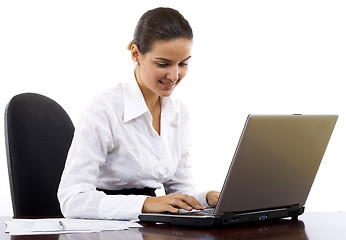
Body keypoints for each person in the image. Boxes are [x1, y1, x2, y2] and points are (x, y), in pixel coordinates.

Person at [58, 7, 220, 221]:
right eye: (163, 64)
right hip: (103, 227)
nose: (174, 75)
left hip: (151, 225)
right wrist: (146, 203)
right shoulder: (104, 108)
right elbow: (72, 200)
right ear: (136, 54)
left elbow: (179, 192)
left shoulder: (179, 112)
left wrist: (206, 198)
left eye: (183, 63)